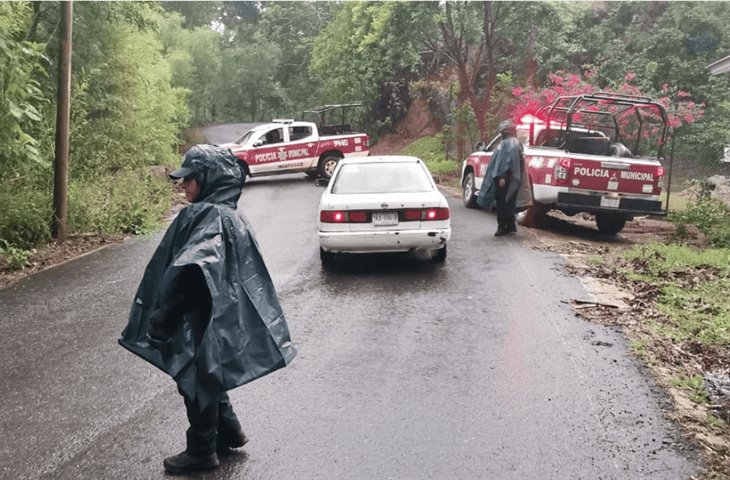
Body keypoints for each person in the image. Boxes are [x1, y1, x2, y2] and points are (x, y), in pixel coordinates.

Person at [119, 145, 296, 475]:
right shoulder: (229, 213)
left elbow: (193, 274)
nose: (183, 186)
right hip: (221, 311)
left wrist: (163, 318)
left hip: (203, 312)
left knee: (196, 377)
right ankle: (229, 430)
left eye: (189, 180)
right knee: (209, 372)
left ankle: (201, 451)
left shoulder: (206, 216)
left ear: (209, 178)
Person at [476, 120, 530, 236]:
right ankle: (510, 225)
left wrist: (502, 177)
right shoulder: (511, 142)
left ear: (506, 131)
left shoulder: (509, 143)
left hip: (506, 180)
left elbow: (507, 162)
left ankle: (503, 226)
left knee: (503, 203)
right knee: (509, 202)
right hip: (510, 180)